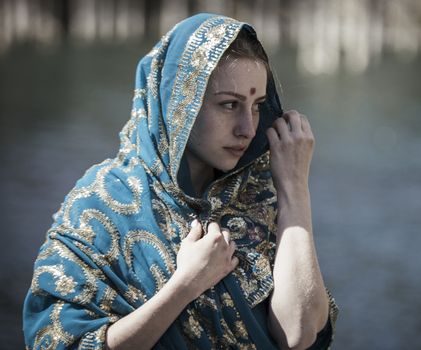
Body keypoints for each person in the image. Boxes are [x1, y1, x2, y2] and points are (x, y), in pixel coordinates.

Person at [23, 13, 338, 349]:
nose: (247, 127)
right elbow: (61, 341)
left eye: (258, 105)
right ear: (179, 104)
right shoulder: (102, 201)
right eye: (229, 104)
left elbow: (299, 334)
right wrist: (186, 284)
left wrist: (294, 190)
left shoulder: (255, 200)